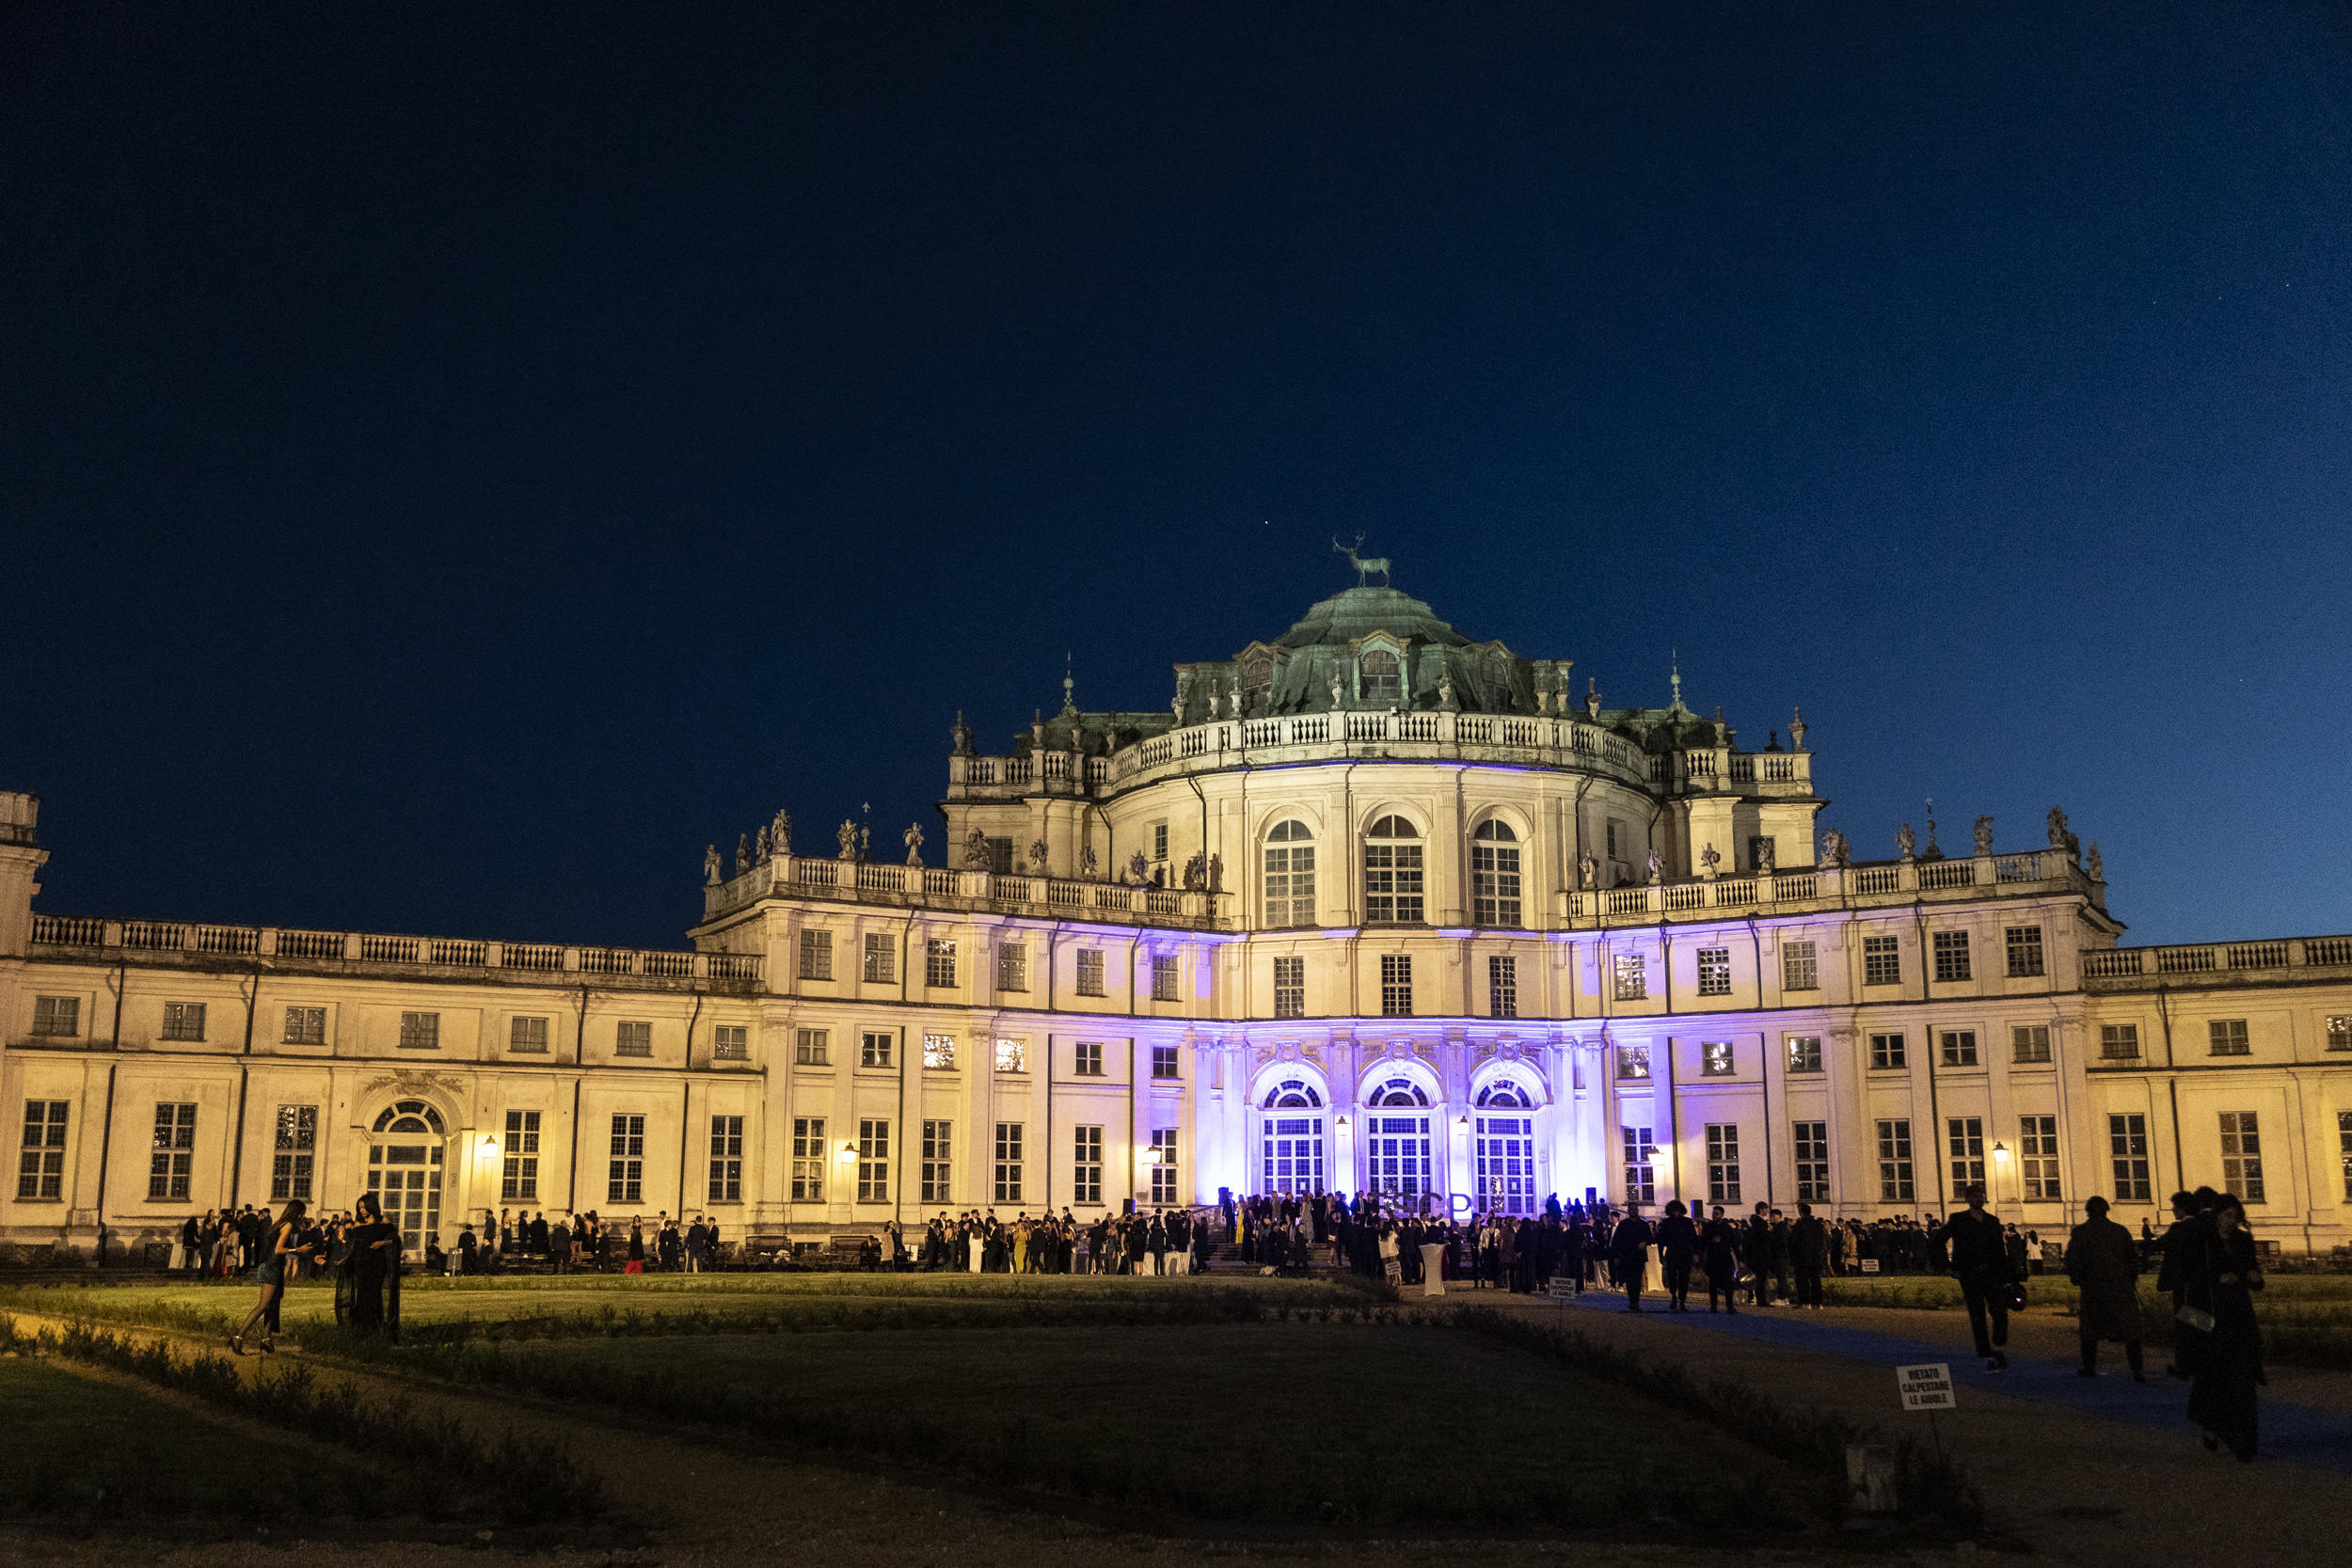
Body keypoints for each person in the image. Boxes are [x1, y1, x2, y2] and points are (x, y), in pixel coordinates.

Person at [2185, 1190, 2265, 1461]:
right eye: (2227, 1215)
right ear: (2217, 1215)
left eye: (2235, 1216)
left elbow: (2255, 1278)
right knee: (2215, 1376)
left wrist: (2254, 1278)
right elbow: (2191, 1277)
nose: (2231, 1220)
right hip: (2210, 1316)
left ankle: (2243, 1441)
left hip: (2238, 1316)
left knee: (2241, 1380)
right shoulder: (2204, 1242)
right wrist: (2216, 1279)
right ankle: (2212, 1423)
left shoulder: (2243, 1240)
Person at [2066, 1196, 2146, 1381]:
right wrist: (2131, 1281)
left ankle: (2089, 1367)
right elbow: (2132, 1260)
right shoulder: (2120, 1231)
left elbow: (2072, 1259)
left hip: (2093, 1288)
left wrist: (2077, 1279)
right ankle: (2137, 1369)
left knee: (2090, 1330)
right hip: (2120, 1287)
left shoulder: (2080, 1232)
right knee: (2130, 1330)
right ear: (2106, 1210)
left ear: (2087, 1211)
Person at [230, 1198, 318, 1354]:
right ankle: (238, 1336)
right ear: (297, 1213)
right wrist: (297, 1250)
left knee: (273, 1303)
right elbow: (278, 1250)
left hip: (272, 1266)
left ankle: (266, 1339)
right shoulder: (288, 1225)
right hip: (271, 1266)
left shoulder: (279, 1223)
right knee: (263, 1305)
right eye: (302, 1214)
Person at [1947, 1183, 2011, 1372]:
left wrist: (2006, 1273)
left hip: (1992, 1273)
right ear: (1968, 1199)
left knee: (2000, 1312)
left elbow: (2000, 1250)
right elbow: (1939, 1239)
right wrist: (1949, 1266)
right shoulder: (1958, 1219)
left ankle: (1998, 1346)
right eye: (1975, 1196)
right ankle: (1988, 1356)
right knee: (1978, 1317)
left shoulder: (1992, 1221)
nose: (1979, 1198)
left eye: (1981, 1195)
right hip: (1970, 1275)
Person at [336, 1193, 402, 1339]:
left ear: (371, 1206)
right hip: (362, 1262)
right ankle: (363, 1328)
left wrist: (382, 1243)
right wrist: (346, 1259)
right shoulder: (358, 1224)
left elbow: (395, 1240)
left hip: (377, 1263)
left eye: (364, 1207)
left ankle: (376, 1326)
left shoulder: (382, 1220)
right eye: (359, 1208)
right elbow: (354, 1245)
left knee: (374, 1294)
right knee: (363, 1294)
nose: (362, 1211)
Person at [1654, 1200, 1697, 1311]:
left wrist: (1695, 1253)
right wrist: (1660, 1254)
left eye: (1677, 1210)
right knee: (1672, 1276)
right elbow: (1661, 1240)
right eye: (1674, 1210)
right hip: (1673, 1251)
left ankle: (1682, 1300)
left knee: (1684, 1277)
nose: (1676, 1212)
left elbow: (1694, 1239)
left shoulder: (1686, 1222)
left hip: (1684, 1252)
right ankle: (1674, 1297)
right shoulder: (1667, 1222)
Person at [1611, 1205, 1654, 1312]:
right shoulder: (1624, 1224)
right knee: (1630, 1280)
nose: (1633, 1211)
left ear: (1637, 1210)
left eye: (1635, 1210)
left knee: (1637, 1279)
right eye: (1631, 1210)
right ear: (1628, 1211)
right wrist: (1616, 1256)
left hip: (1638, 1256)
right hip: (1627, 1256)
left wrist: (1645, 1242)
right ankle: (1632, 1301)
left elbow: (1650, 1238)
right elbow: (1616, 1241)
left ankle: (1635, 1301)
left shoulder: (1643, 1224)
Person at [1789, 1203, 1827, 1308]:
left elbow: (1794, 1241)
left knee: (1802, 1280)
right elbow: (1820, 1241)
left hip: (1802, 1257)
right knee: (1815, 1280)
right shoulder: (1817, 1224)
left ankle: (1805, 1302)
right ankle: (1818, 1302)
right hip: (1815, 1256)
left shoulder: (1799, 1225)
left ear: (1801, 1212)